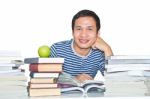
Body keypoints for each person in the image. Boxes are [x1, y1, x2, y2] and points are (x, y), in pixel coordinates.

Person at [50, 9, 113, 82]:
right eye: (79, 29)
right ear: (73, 32)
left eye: (89, 29)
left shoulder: (99, 53)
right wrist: (73, 80)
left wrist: (107, 49)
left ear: (97, 33)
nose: (83, 34)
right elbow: (46, 80)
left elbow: (114, 82)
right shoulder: (57, 49)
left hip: (87, 93)